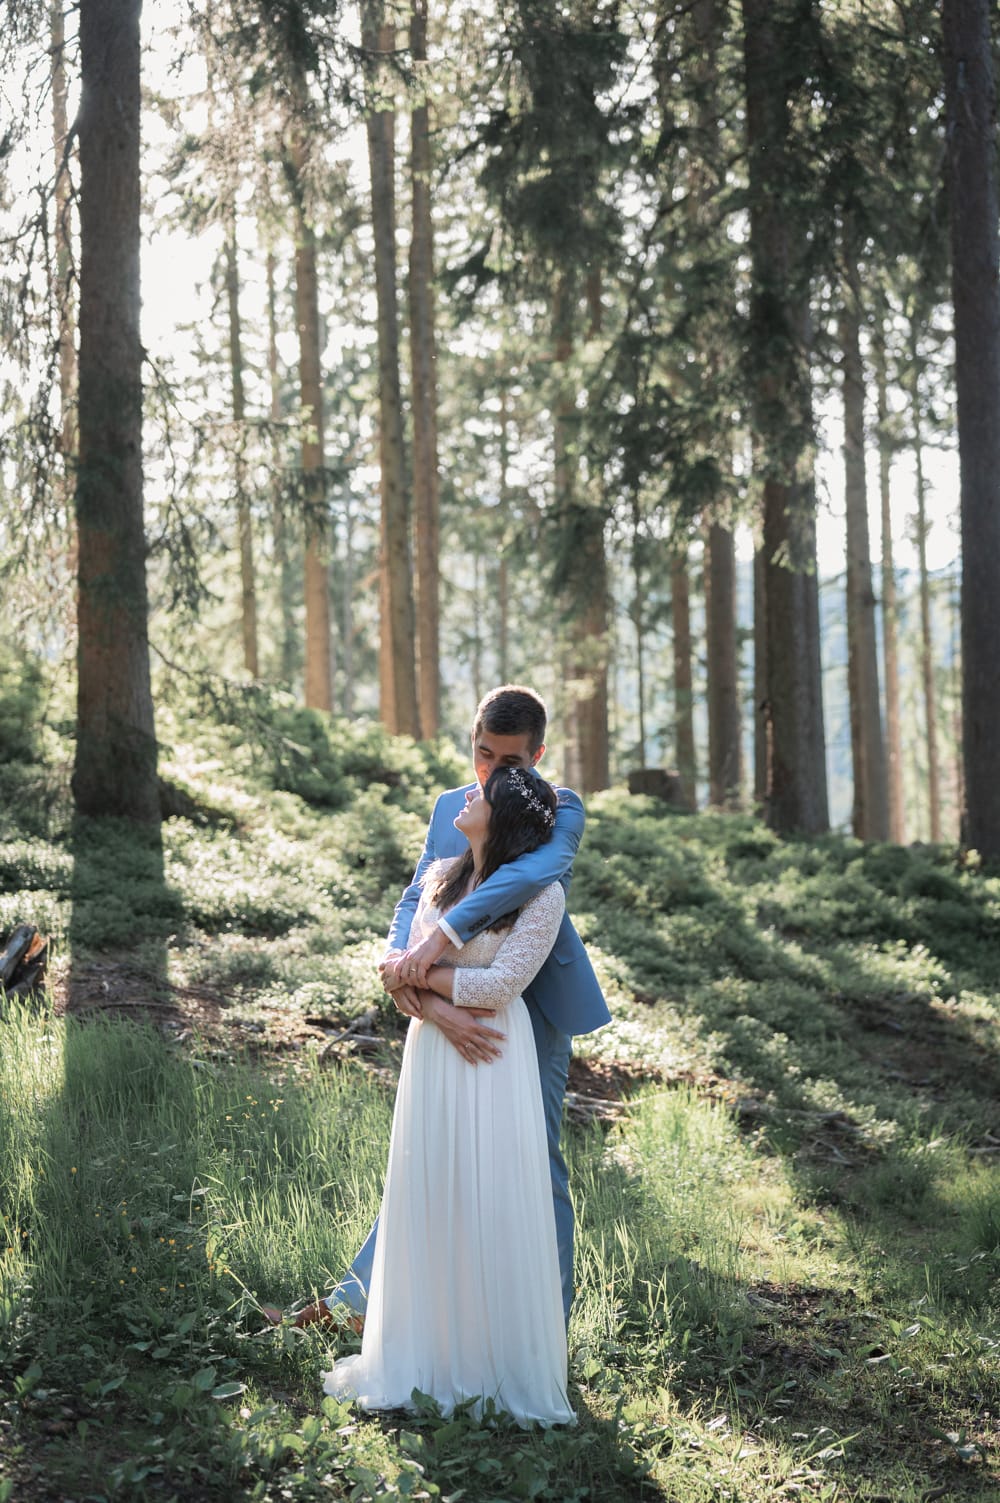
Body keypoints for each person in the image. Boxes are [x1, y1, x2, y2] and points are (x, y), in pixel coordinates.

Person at [284, 684, 610, 1329]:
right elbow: (417, 893)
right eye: (482, 755)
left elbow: (524, 879)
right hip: (438, 985)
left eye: (508, 763)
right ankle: (365, 1305)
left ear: (538, 754)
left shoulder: (559, 809)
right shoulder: (449, 807)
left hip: (527, 1003)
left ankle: (548, 1322)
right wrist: (398, 965)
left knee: (536, 1156)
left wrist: (438, 943)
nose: (489, 774)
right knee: (429, 1152)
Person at [321, 764, 574, 1423]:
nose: (468, 792)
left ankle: (491, 1364)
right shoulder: (441, 878)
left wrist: (433, 993)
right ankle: (425, 1356)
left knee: (489, 1192)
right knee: (431, 1189)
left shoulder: (542, 898)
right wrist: (441, 1013)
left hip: (495, 1053)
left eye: (481, 793)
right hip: (435, 1052)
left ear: (505, 816)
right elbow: (399, 972)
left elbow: (499, 987)